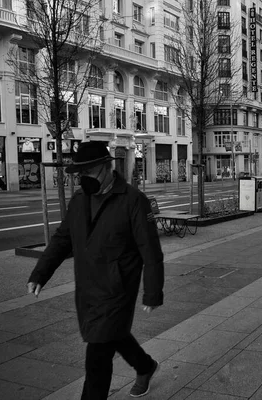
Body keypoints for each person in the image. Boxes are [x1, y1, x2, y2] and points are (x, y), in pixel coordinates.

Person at [27, 142, 164, 399]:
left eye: (87, 172)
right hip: (88, 288)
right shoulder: (80, 199)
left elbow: (151, 251)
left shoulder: (134, 201)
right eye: (79, 174)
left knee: (97, 356)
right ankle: (146, 366)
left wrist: (153, 292)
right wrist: (40, 273)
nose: (82, 178)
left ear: (105, 167)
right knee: (114, 335)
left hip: (118, 289)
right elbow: (62, 239)